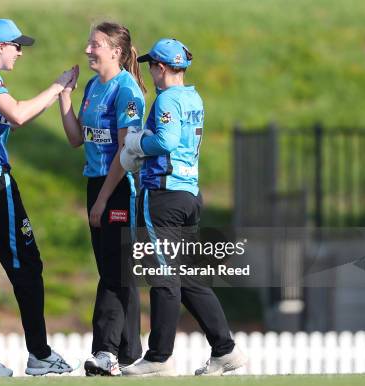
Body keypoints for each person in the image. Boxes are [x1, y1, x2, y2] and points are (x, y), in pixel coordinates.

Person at [0, 19, 75, 377]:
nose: (20, 51)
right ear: (0, 47)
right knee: (28, 266)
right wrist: (56, 87)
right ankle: (39, 355)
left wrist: (51, 96)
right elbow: (17, 113)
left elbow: (8, 120)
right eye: (16, 45)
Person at [120, 38, 247, 376]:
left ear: (161, 67)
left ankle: (159, 358)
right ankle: (225, 349)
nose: (150, 71)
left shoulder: (167, 99)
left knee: (163, 275)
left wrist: (136, 144)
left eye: (151, 66)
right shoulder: (193, 96)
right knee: (188, 278)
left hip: (163, 195)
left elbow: (166, 141)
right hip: (190, 195)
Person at [58, 21, 145, 376]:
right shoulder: (93, 86)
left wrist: (104, 199)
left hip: (118, 187)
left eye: (95, 44)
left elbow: (126, 153)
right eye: (89, 43)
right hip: (95, 183)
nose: (88, 50)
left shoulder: (128, 91)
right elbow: (77, 138)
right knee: (117, 268)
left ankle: (105, 351)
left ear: (116, 51)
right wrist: (64, 95)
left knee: (113, 268)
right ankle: (130, 353)